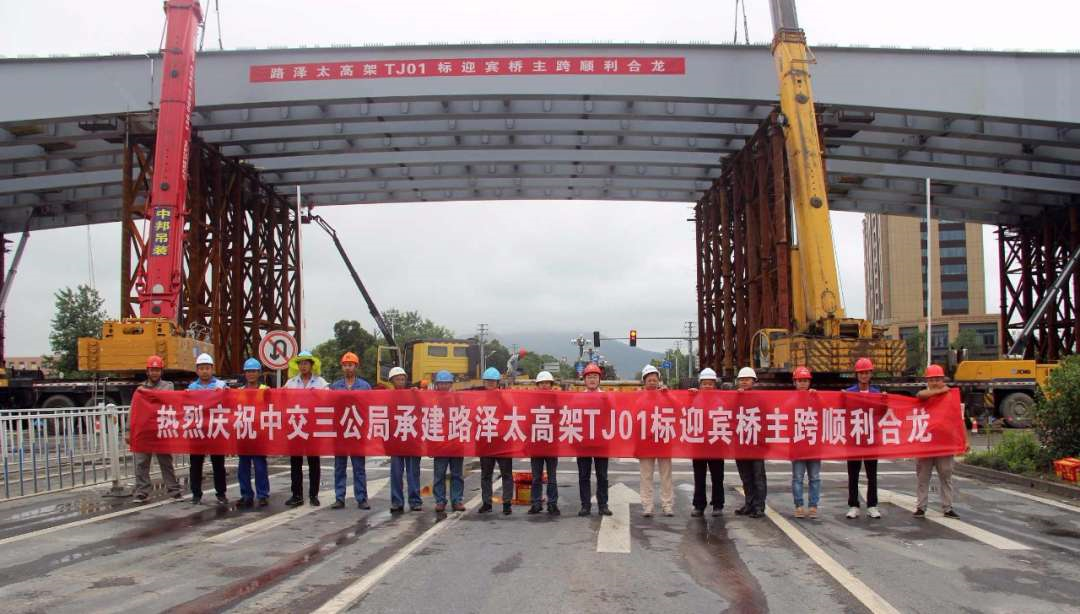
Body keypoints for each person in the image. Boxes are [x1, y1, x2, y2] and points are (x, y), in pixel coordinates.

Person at [131, 355, 182, 503]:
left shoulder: (168, 386)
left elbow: (168, 400)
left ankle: (174, 490)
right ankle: (142, 491)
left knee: (166, 461)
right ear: (147, 371)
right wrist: (129, 430)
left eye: (157, 370)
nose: (154, 373)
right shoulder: (140, 389)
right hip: (145, 430)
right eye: (152, 370)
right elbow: (133, 410)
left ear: (161, 371)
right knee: (141, 462)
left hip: (162, 429)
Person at [284, 350, 329, 507]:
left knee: (313, 462)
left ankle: (313, 495)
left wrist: (317, 396)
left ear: (312, 365)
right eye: (301, 363)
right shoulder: (290, 383)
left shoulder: (320, 383)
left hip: (313, 426)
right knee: (295, 462)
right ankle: (296, 495)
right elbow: (282, 399)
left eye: (306, 363)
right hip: (295, 425)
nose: (303, 366)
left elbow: (328, 398)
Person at [914, 364, 959, 518]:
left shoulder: (950, 397)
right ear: (927, 381)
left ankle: (948, 507)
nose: (934, 382)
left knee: (946, 476)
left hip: (944, 444)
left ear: (942, 379)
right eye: (931, 379)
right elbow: (920, 395)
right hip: (925, 444)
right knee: (923, 477)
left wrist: (963, 441)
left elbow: (958, 419)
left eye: (937, 379)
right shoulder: (925, 395)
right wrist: (940, 390)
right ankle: (921, 507)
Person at [330, 352, 372, 510]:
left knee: (359, 467)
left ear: (356, 366)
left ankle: (361, 498)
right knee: (339, 466)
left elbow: (369, 407)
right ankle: (339, 498)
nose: (348, 368)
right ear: (342, 367)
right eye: (345, 365)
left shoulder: (365, 386)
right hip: (340, 431)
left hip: (357, 431)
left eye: (350, 365)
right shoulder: (335, 387)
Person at [188, 352, 229, 506]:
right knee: (196, 464)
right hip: (198, 430)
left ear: (212, 369)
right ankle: (196, 494)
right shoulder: (191, 388)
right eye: (201, 368)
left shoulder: (221, 386)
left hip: (215, 429)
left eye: (207, 368)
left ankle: (221, 493)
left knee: (218, 464)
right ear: (197, 370)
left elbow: (229, 403)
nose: (204, 371)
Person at [845, 357, 882, 520]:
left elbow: (882, 413)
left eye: (866, 372)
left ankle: (872, 505)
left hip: (871, 439)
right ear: (857, 375)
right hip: (854, 438)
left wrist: (885, 401)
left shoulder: (877, 393)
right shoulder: (849, 392)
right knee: (853, 474)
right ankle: (853, 505)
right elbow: (841, 411)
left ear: (871, 374)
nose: (864, 375)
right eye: (861, 373)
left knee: (872, 475)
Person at [638, 364, 674, 517]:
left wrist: (668, 395)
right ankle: (647, 505)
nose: (652, 383)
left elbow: (679, 407)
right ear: (644, 382)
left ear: (659, 381)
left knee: (666, 475)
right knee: (646, 475)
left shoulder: (665, 395)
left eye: (655, 380)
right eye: (649, 380)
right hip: (645, 441)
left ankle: (667, 505)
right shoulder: (639, 397)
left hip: (664, 440)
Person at [577, 363, 611, 517]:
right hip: (583, 442)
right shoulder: (578, 398)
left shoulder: (606, 397)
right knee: (584, 475)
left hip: (601, 441)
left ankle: (603, 505)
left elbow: (613, 415)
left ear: (599, 380)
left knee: (602, 475)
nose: (592, 380)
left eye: (595, 377)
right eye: (589, 377)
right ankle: (585, 505)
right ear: (584, 380)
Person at [387, 366, 423, 514]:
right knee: (396, 473)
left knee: (413, 472)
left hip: (412, 438)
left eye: (402, 379)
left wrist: (418, 394)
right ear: (392, 381)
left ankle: (415, 501)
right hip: (395, 439)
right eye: (397, 379)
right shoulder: (387, 396)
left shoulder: (413, 393)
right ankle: (397, 502)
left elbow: (424, 406)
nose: (401, 381)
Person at [236, 357, 270, 508]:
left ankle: (262, 495)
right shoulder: (238, 392)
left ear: (259, 373)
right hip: (244, 433)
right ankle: (246, 495)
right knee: (243, 466)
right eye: (248, 371)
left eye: (254, 371)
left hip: (259, 433)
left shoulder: (265, 390)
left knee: (260, 465)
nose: (251, 374)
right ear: (245, 373)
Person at [479, 367, 514, 515]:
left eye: (492, 381)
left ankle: (507, 503)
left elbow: (512, 413)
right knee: (486, 475)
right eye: (488, 381)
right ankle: (487, 503)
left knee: (506, 474)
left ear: (497, 382)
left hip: (502, 441)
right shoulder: (478, 398)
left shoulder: (505, 397)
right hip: (485, 441)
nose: (490, 384)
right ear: (484, 382)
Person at [734, 367, 767, 519]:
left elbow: (766, 418)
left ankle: (759, 507)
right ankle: (749, 504)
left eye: (747, 379)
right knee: (745, 476)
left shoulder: (760, 398)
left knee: (758, 476)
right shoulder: (734, 397)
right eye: (741, 379)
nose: (744, 382)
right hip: (741, 443)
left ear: (754, 381)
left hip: (756, 444)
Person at [431, 370, 466, 513]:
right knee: (439, 474)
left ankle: (457, 500)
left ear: (451, 384)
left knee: (457, 474)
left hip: (456, 442)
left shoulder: (458, 398)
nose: (444, 386)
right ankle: (440, 501)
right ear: (437, 384)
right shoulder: (431, 399)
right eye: (441, 383)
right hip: (440, 443)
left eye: (446, 383)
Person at [691, 367, 724, 517]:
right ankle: (699, 505)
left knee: (717, 476)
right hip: (699, 443)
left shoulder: (721, 400)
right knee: (699, 476)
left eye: (710, 383)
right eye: (704, 383)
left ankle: (718, 504)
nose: (707, 386)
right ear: (700, 384)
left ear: (715, 385)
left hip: (716, 442)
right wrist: (689, 396)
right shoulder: (694, 399)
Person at [790, 366, 821, 519]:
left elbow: (825, 410)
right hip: (797, 445)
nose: (803, 383)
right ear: (795, 382)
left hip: (813, 444)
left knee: (814, 477)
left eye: (805, 381)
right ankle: (799, 505)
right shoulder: (790, 400)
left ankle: (813, 506)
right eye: (800, 380)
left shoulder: (815, 397)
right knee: (798, 477)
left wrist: (817, 397)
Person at [528, 370, 559, 516]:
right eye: (542, 383)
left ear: (551, 385)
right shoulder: (531, 401)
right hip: (536, 444)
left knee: (552, 477)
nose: (544, 385)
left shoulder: (557, 400)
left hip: (552, 445)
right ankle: (536, 503)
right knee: (536, 477)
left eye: (547, 383)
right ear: (537, 385)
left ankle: (552, 503)